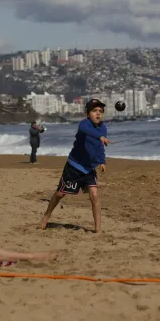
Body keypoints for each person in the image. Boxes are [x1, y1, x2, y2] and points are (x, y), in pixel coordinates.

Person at [39, 99, 111, 233]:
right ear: (87, 113)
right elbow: (88, 131)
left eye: (100, 111)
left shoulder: (103, 128)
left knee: (94, 195)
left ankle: (98, 230)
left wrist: (102, 161)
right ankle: (46, 216)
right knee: (60, 194)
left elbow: (100, 147)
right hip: (74, 166)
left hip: (89, 168)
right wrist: (100, 137)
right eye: (94, 111)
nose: (98, 114)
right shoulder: (84, 124)